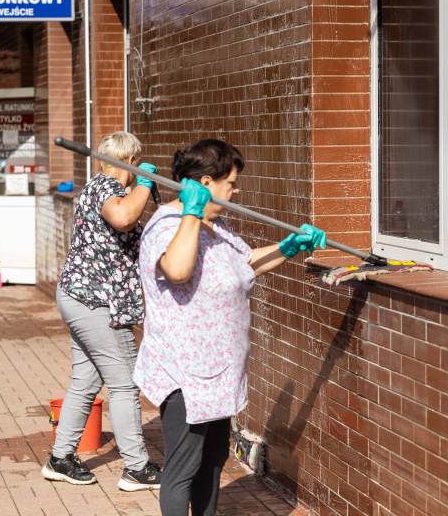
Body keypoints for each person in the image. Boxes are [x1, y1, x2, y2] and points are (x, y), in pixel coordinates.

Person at [133, 139, 326, 516]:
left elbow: (246, 263)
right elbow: (177, 269)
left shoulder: (216, 226)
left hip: (218, 373)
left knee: (213, 461)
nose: (237, 191)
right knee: (183, 468)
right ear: (205, 183)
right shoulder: (167, 226)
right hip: (186, 374)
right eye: (231, 184)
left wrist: (287, 248)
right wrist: (191, 212)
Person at [44, 131, 163, 491]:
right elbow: (124, 219)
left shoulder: (110, 191)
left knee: (86, 380)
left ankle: (60, 459)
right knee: (126, 384)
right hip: (96, 303)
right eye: (136, 164)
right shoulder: (104, 187)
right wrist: (144, 183)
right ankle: (136, 468)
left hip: (82, 297)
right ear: (129, 161)